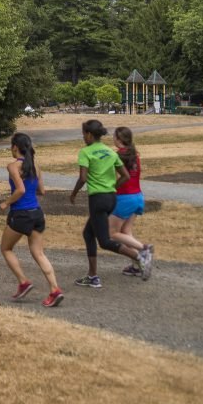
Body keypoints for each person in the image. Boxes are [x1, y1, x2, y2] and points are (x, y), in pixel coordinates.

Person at [68, 120, 143, 288]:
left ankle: (139, 257)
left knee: (104, 241)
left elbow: (83, 178)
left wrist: (73, 194)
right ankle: (92, 275)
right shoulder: (111, 152)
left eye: (83, 134)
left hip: (98, 199)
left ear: (88, 134)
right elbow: (125, 176)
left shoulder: (86, 152)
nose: (83, 137)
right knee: (88, 234)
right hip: (112, 198)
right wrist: (111, 188)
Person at [0, 133, 64, 307]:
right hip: (37, 213)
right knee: (39, 253)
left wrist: (6, 202)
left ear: (15, 147)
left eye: (11, 146)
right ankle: (54, 289)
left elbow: (19, 190)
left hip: (21, 214)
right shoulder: (35, 164)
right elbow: (41, 191)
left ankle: (23, 281)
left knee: (6, 248)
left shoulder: (13, 166)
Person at [110, 127, 154, 280]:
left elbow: (114, 177)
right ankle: (136, 265)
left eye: (114, 136)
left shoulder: (117, 156)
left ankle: (144, 250)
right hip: (137, 196)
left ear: (118, 138)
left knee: (112, 233)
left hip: (124, 197)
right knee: (126, 232)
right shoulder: (135, 155)